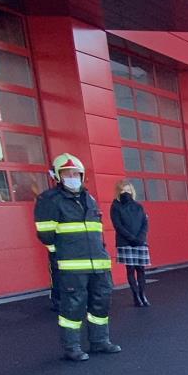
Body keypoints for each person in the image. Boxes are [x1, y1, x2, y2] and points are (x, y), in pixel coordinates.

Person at [35, 154, 120, 360]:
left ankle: (100, 341)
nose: (72, 177)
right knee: (73, 307)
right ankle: (72, 347)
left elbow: (96, 231)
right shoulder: (50, 200)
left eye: (75, 173)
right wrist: (62, 254)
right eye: (67, 173)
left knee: (101, 303)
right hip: (72, 265)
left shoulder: (88, 198)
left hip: (98, 263)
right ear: (57, 176)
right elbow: (45, 233)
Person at [111, 180, 151, 307]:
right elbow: (118, 226)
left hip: (140, 242)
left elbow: (145, 223)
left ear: (132, 191)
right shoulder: (115, 206)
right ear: (118, 191)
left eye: (128, 190)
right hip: (125, 242)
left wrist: (140, 238)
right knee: (131, 269)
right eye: (123, 190)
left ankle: (143, 294)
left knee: (141, 269)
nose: (126, 193)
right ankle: (135, 296)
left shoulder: (139, 206)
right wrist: (132, 239)